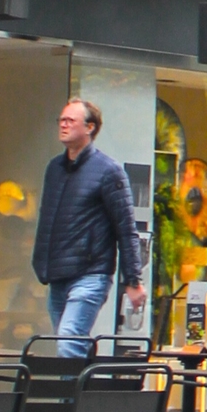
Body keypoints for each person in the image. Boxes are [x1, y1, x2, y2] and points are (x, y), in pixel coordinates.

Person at [31, 99, 142, 358]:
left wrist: (133, 280)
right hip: (58, 275)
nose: (63, 125)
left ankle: (71, 399)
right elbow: (48, 222)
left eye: (70, 120)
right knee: (70, 344)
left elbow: (125, 227)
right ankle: (84, 396)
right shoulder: (54, 169)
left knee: (68, 343)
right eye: (61, 120)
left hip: (91, 274)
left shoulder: (108, 171)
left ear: (90, 127)